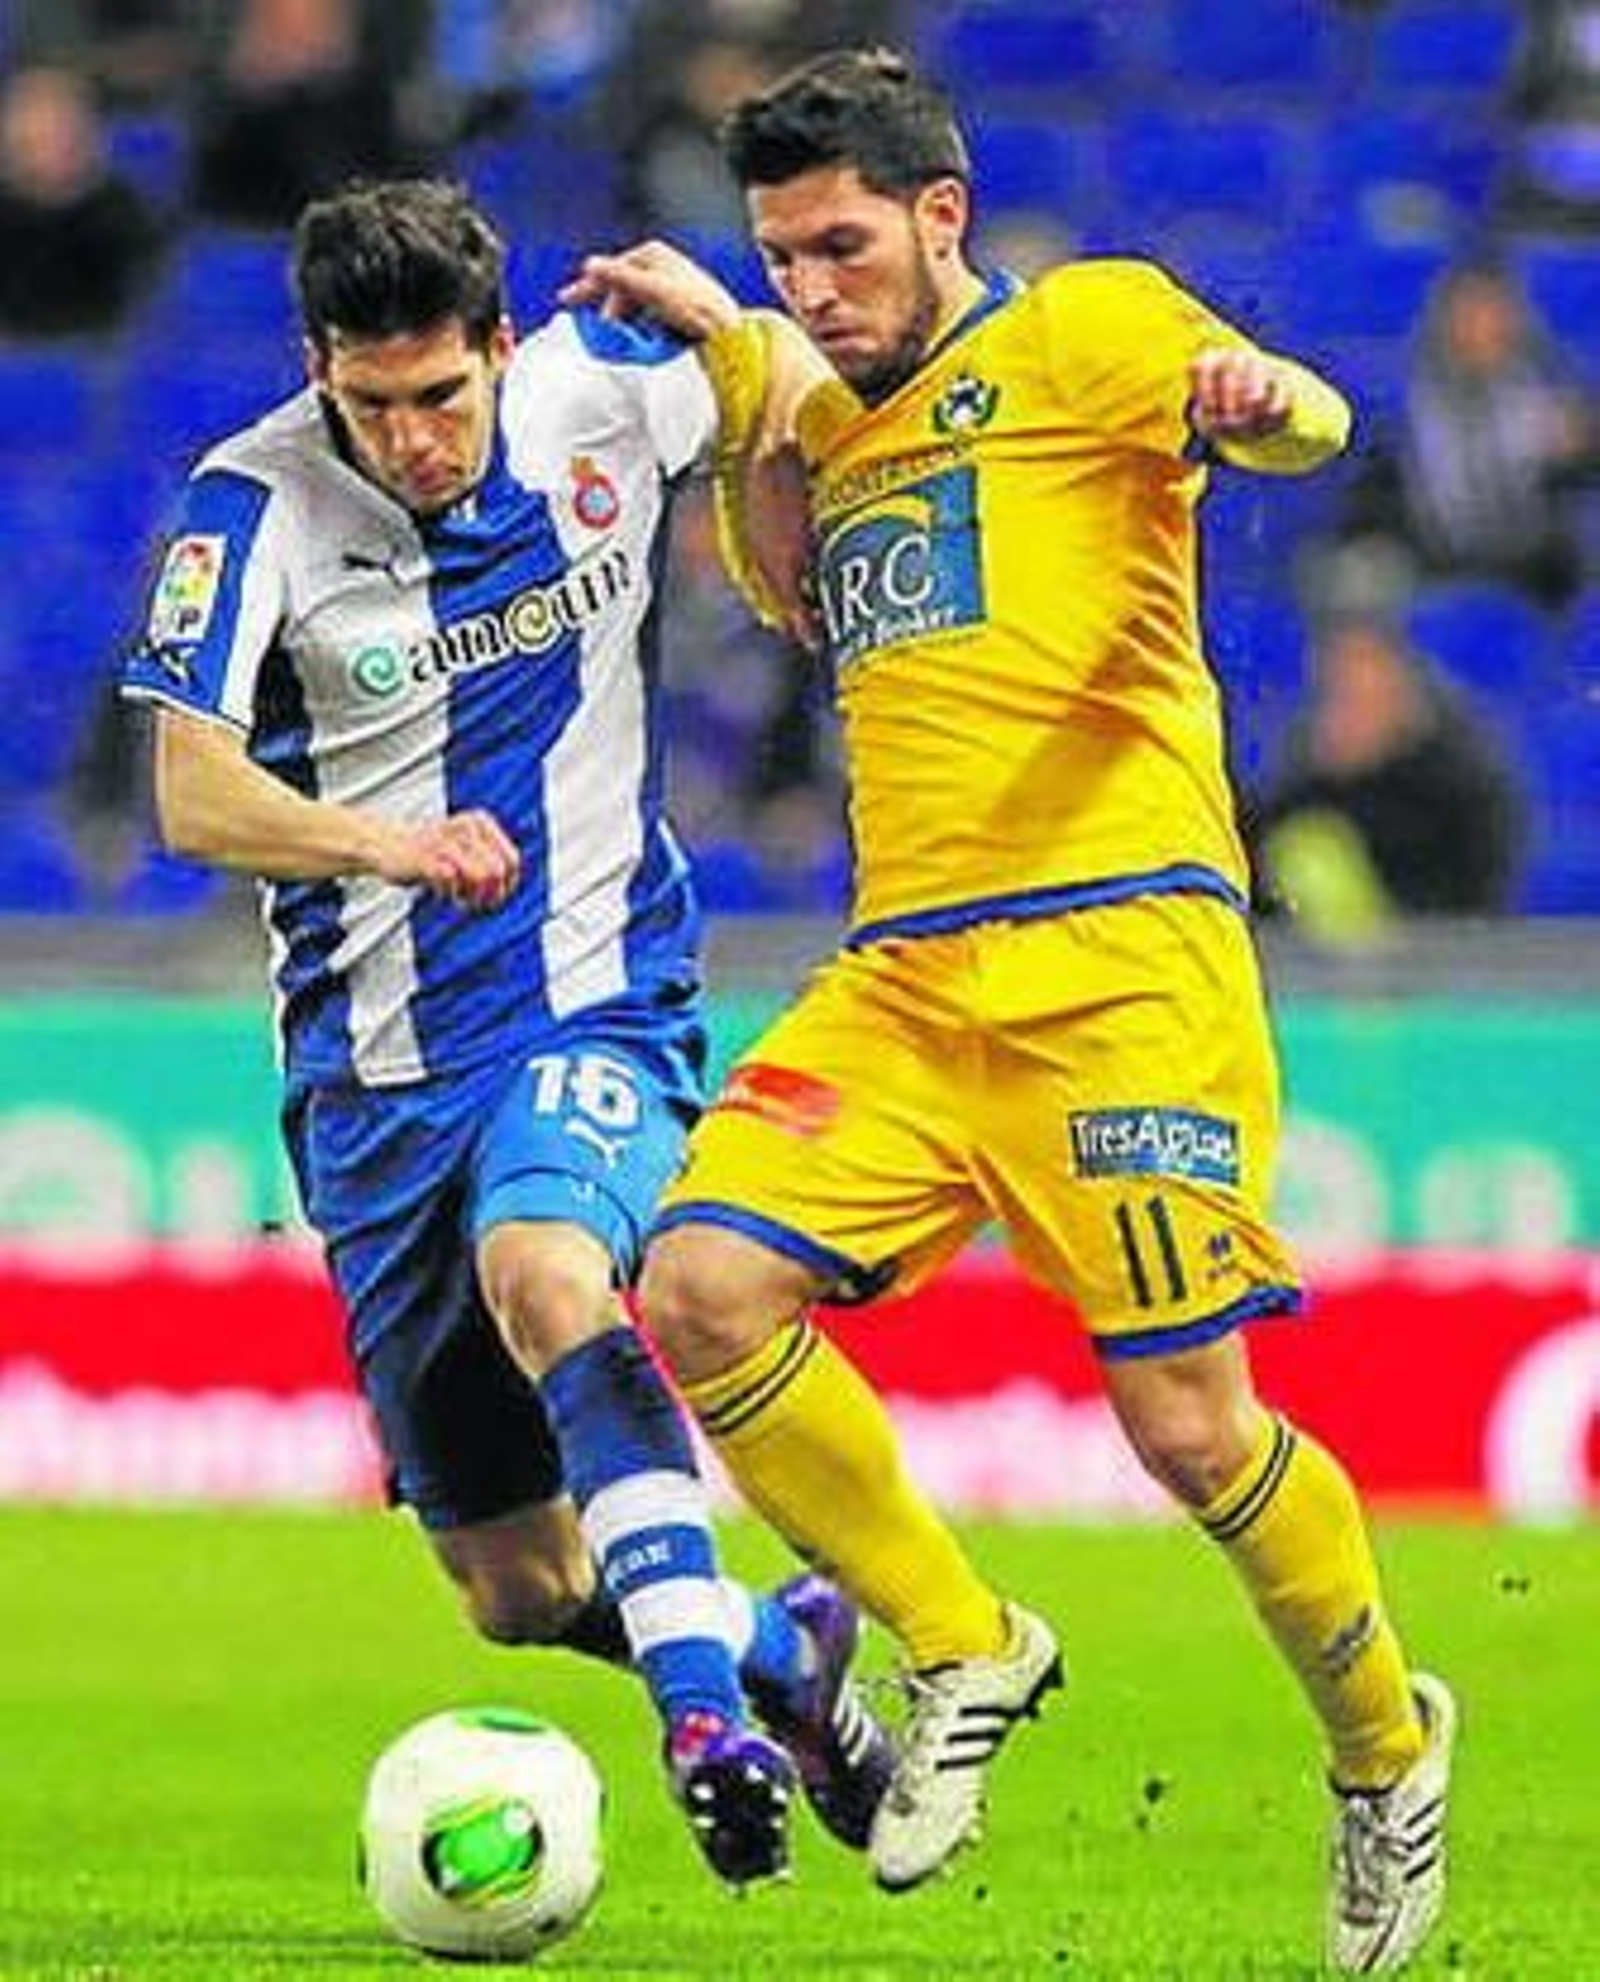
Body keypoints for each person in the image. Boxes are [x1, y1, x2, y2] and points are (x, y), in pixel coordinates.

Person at [563, 48, 1458, 1971]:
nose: (815, 281)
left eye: (840, 242)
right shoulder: (822, 422)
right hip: (906, 975)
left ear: (939, 214)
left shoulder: (1090, 332)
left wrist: (1258, 398)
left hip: (1117, 955)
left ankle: (1386, 1751)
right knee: (703, 1290)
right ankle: (967, 1636)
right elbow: (794, 557)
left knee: (1194, 1429)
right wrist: (728, 348)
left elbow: (1305, 419)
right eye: (782, 253)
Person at [117, 176, 894, 1889]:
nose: (411, 438)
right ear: (322, 367)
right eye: (372, 402)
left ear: (502, 343)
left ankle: (707, 1724)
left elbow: (847, 416)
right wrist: (388, 842)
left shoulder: (603, 391)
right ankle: (781, 1653)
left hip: (596, 994)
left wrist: (745, 333)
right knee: (519, 1590)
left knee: (550, 1265)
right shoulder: (248, 508)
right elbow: (189, 793)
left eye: (441, 396)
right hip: (376, 1086)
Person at [1334, 257, 1600, 614]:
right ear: (1445, 319)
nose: (1482, 329)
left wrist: (1582, 444)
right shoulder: (1403, 403)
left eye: (1495, 315)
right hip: (1429, 571)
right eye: (1470, 315)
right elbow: (1364, 503)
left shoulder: (1551, 384)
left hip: (1540, 577)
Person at [1251, 610, 1525, 941]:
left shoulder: (1462, 772)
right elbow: (1262, 855)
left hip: (1438, 958)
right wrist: (1321, 774)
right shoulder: (1308, 770)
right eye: (1342, 690)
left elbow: (1479, 884)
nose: (1354, 704)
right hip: (1326, 969)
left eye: (1367, 689)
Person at [0, 64, 166, 340]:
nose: (54, 140)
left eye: (64, 125)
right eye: (39, 130)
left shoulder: (125, 213)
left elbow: (138, 314)